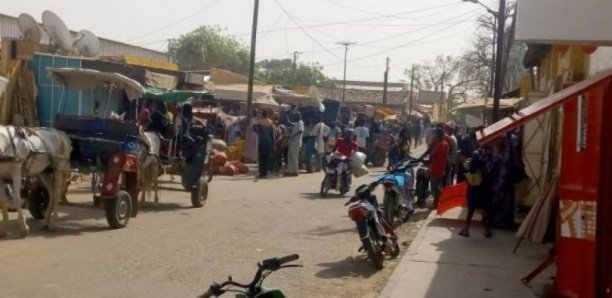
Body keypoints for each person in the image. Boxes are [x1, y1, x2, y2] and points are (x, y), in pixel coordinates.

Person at [459, 143, 494, 238]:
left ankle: (466, 229)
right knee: (487, 207)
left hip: (476, 185)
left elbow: (472, 170)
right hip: (487, 185)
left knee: (471, 207)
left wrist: (469, 165)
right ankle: (487, 230)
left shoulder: (476, 154)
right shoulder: (491, 154)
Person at [417, 128, 449, 208]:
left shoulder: (439, 144)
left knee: (434, 187)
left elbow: (431, 155)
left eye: (435, 134)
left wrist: (422, 159)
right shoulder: (445, 143)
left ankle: (437, 202)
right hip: (441, 168)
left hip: (436, 168)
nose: (434, 135)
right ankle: (437, 202)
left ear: (438, 135)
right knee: (436, 186)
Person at [253, 110, 275, 178]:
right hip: (269, 143)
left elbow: (253, 127)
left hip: (262, 142)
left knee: (261, 158)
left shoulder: (260, 121)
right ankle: (265, 173)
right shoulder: (271, 122)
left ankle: (261, 173)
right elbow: (272, 134)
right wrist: (273, 144)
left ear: (263, 115)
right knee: (266, 158)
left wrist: (259, 132)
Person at [285, 111, 304, 177]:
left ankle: (295, 172)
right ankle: (290, 171)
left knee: (294, 157)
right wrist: (287, 119)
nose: (295, 117)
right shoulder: (297, 123)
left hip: (296, 142)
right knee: (290, 156)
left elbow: (300, 130)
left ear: (299, 116)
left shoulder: (301, 122)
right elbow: (292, 124)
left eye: (296, 116)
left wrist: (293, 136)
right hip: (292, 142)